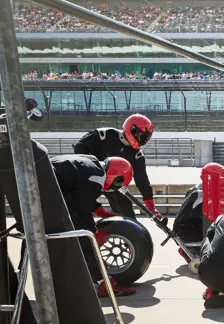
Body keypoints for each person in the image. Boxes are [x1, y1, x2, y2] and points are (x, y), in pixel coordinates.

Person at [50, 154, 137, 297]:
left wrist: (97, 209)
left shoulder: (92, 163)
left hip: (42, 184)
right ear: (116, 176)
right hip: (48, 190)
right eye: (118, 183)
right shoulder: (97, 176)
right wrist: (93, 231)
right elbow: (82, 211)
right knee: (85, 235)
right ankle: (104, 284)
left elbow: (78, 191)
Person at [73, 114, 160, 219]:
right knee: (80, 209)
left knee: (127, 216)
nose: (143, 141)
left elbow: (141, 179)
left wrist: (149, 203)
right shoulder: (105, 135)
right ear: (132, 130)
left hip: (114, 185)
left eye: (146, 138)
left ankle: (129, 233)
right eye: (142, 137)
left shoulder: (137, 155)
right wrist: (89, 169)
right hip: (93, 179)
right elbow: (80, 147)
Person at [174, 162, 224, 262]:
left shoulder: (195, 189)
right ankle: (190, 251)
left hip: (182, 229)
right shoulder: (202, 195)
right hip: (184, 233)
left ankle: (190, 250)